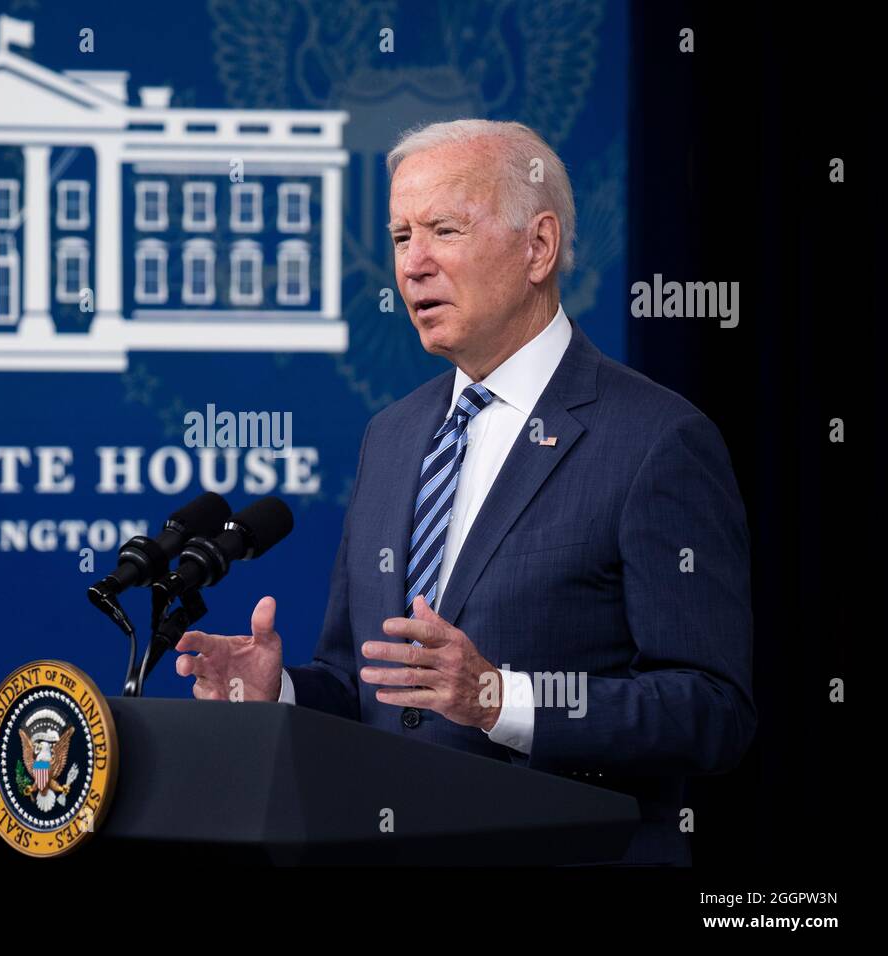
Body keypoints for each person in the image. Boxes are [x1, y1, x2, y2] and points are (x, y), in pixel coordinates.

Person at [174, 119, 756, 866]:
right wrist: (281, 691)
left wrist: (499, 699)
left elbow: (712, 710)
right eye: (399, 236)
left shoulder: (655, 441)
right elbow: (367, 686)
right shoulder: (391, 435)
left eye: (443, 230)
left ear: (536, 248)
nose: (412, 265)